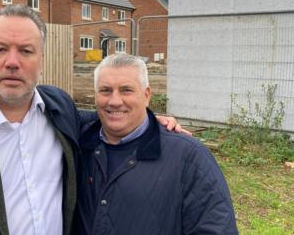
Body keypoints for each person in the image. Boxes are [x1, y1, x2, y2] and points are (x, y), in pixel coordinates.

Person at [0, 4, 186, 235]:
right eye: (1, 49)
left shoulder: (61, 111)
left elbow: (106, 117)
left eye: (26, 51)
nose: (12, 62)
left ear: (41, 60)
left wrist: (147, 117)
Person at [77, 54, 238, 235]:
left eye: (126, 90)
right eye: (105, 90)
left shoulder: (188, 156)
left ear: (146, 96)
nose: (114, 101)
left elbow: (215, 228)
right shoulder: (77, 145)